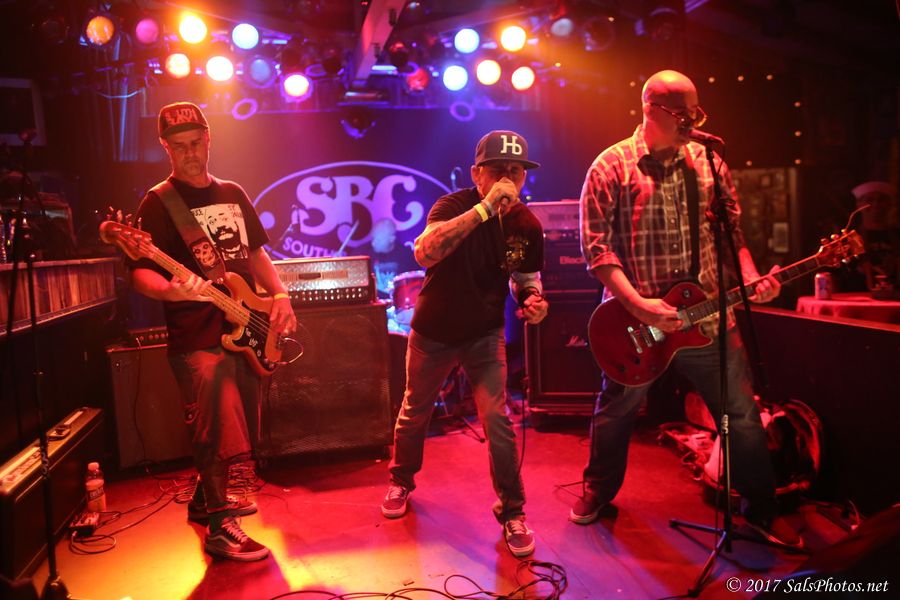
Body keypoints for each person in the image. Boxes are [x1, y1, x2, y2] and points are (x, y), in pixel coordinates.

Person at [576, 70, 802, 548]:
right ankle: (598, 491)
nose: (692, 122)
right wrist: (639, 305)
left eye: (696, 112)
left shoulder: (708, 163)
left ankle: (761, 509)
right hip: (636, 324)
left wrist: (751, 275)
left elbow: (733, 235)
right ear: (651, 110)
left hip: (709, 319)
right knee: (617, 412)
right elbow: (597, 251)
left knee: (740, 414)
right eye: (681, 113)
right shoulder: (611, 166)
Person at [128, 102, 297, 561]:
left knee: (244, 424)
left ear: (208, 139)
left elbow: (256, 253)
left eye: (195, 143)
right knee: (217, 428)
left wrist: (279, 295)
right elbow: (139, 273)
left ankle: (205, 501)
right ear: (165, 148)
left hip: (245, 326)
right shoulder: (159, 202)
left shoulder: (233, 192)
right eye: (178, 146)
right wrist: (173, 292)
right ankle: (221, 526)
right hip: (195, 336)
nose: (189, 153)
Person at [380, 130, 550, 557]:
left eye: (516, 171)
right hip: (434, 330)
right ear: (477, 174)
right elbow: (425, 252)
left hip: (483, 333)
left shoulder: (526, 225)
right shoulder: (453, 206)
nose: (508, 179)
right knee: (414, 411)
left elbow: (524, 276)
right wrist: (485, 209)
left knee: (497, 419)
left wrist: (532, 298)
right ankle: (401, 481)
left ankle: (513, 511)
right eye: (497, 170)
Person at [844, 181, 900, 292]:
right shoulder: (850, 237)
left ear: (889, 204)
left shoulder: (897, 235)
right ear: (859, 204)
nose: (876, 204)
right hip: (858, 296)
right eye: (870, 200)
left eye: (881, 200)